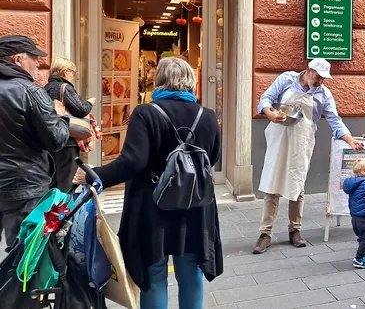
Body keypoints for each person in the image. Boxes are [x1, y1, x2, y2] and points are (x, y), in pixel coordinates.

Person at [74, 57, 222, 309]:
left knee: (153, 273)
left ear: (159, 80)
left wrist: (94, 175)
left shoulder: (145, 113)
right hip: (196, 207)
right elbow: (213, 158)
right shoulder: (207, 116)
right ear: (190, 81)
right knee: (191, 271)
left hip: (153, 209)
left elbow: (133, 162)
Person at [254, 59, 365, 253]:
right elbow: (266, 98)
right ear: (308, 70)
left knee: (297, 183)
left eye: (324, 78)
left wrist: (351, 140)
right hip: (279, 136)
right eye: (318, 76)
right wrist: (270, 113)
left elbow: (334, 120)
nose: (321, 81)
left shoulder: (324, 94)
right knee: (273, 183)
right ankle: (265, 233)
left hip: (302, 140)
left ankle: (295, 230)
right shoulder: (286, 79)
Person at [0, 35, 70, 250]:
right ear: (17, 60)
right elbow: (57, 139)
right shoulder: (30, 91)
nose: (38, 65)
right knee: (24, 255)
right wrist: (60, 116)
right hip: (24, 187)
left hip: (17, 184)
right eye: (33, 58)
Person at [44, 58, 96, 192]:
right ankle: (65, 211)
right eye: (73, 72)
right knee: (67, 181)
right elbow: (81, 109)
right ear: (66, 72)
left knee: (53, 179)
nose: (74, 76)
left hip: (50, 140)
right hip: (68, 140)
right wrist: (89, 102)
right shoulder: (65, 88)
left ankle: (51, 209)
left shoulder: (45, 88)